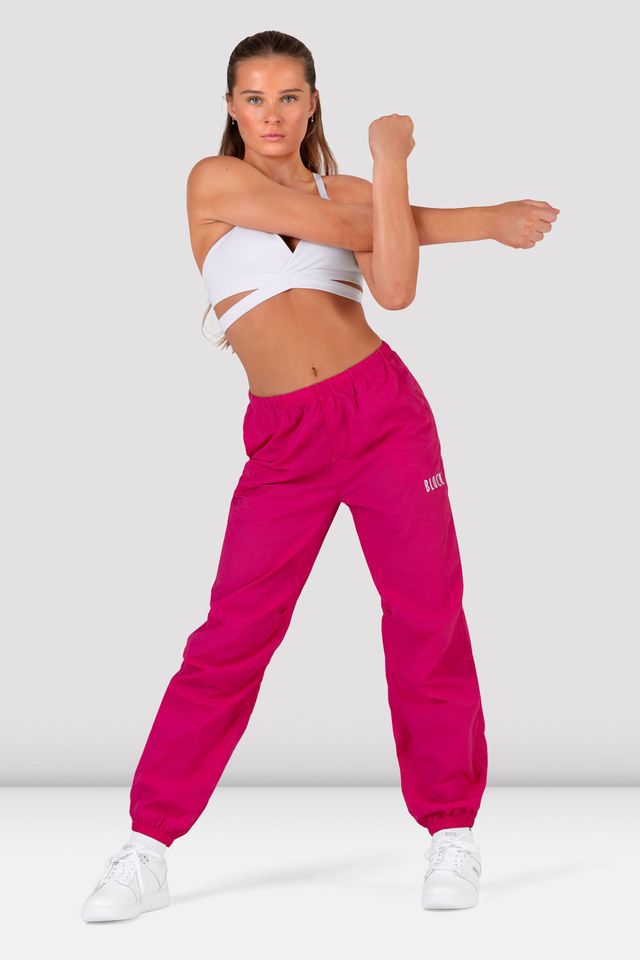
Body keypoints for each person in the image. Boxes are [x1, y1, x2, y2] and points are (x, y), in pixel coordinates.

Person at [81, 30, 559, 923]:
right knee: (232, 635)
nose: (272, 114)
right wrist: (457, 202)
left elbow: (398, 288)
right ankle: (148, 845)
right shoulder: (213, 182)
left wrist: (392, 175)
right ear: (231, 108)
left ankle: (451, 830)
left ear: (312, 104)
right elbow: (350, 229)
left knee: (427, 614)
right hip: (286, 441)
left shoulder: (355, 191)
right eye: (254, 97)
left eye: (289, 96)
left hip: (384, 416)